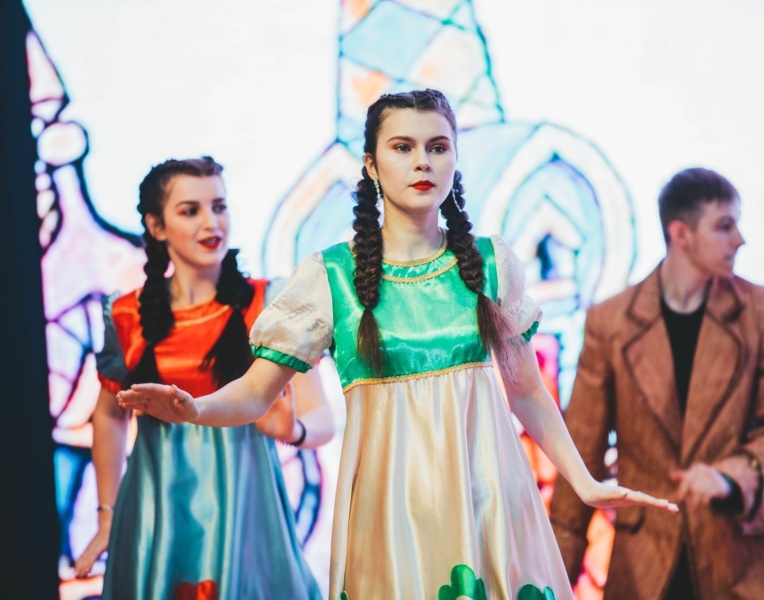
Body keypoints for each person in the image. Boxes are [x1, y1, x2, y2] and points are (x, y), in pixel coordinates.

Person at [117, 90, 677, 599]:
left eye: (437, 147)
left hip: (488, 506)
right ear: (371, 164)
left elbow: (527, 392)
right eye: (403, 147)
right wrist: (195, 408)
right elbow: (256, 392)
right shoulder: (331, 277)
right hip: (391, 520)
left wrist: (584, 482)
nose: (422, 162)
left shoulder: (490, 264)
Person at [549, 167, 764, 599]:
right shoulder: (611, 323)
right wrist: (554, 576)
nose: (739, 239)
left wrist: (729, 477)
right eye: (725, 226)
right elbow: (580, 454)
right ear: (681, 234)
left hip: (749, 553)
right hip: (649, 562)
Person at [73, 156, 332, 599]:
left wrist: (294, 430)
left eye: (219, 206)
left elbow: (320, 417)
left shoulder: (268, 303)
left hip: (244, 505)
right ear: (157, 226)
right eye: (190, 211)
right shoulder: (127, 314)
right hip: (156, 505)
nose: (211, 222)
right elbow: (110, 415)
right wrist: (107, 516)